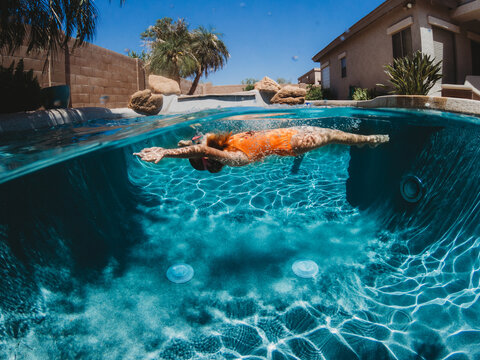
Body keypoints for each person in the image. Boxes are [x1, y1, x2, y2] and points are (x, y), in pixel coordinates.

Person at [133, 126, 389, 173]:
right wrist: (175, 149)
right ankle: (370, 139)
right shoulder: (228, 149)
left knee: (336, 136)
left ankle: (368, 139)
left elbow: (204, 147)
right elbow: (204, 148)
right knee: (335, 135)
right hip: (293, 137)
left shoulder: (226, 149)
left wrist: (175, 148)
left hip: (293, 137)